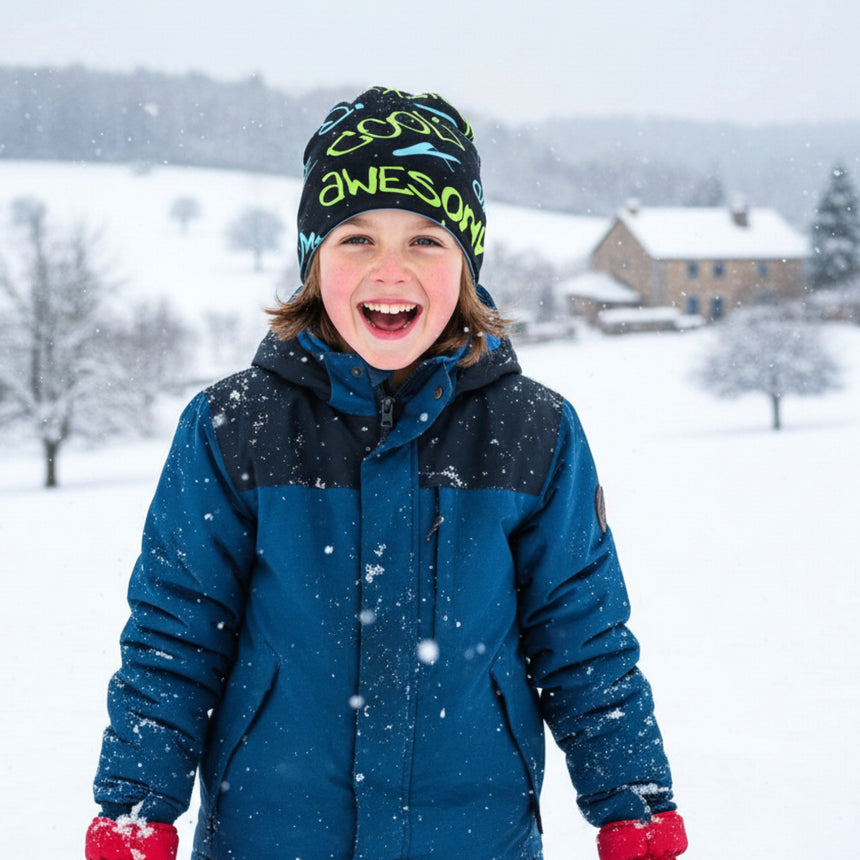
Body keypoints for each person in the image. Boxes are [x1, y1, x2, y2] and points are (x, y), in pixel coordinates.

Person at [85, 86, 688, 860]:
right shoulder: (235, 426)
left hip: (473, 836)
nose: (390, 270)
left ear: (467, 262)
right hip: (272, 836)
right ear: (312, 261)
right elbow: (176, 631)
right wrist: (137, 803)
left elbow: (583, 638)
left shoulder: (534, 433)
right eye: (356, 239)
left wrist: (631, 800)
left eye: (426, 241)